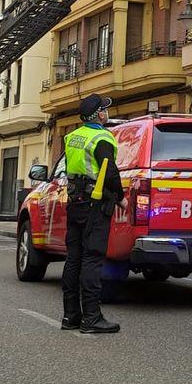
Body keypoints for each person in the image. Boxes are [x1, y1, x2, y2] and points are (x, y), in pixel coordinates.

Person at [61, 93, 124, 334]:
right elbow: (109, 172)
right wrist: (120, 197)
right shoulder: (101, 137)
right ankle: (92, 317)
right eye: (104, 109)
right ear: (98, 114)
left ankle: (70, 316)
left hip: (75, 200)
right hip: (95, 203)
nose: (107, 112)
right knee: (93, 258)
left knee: (73, 258)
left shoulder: (72, 136)